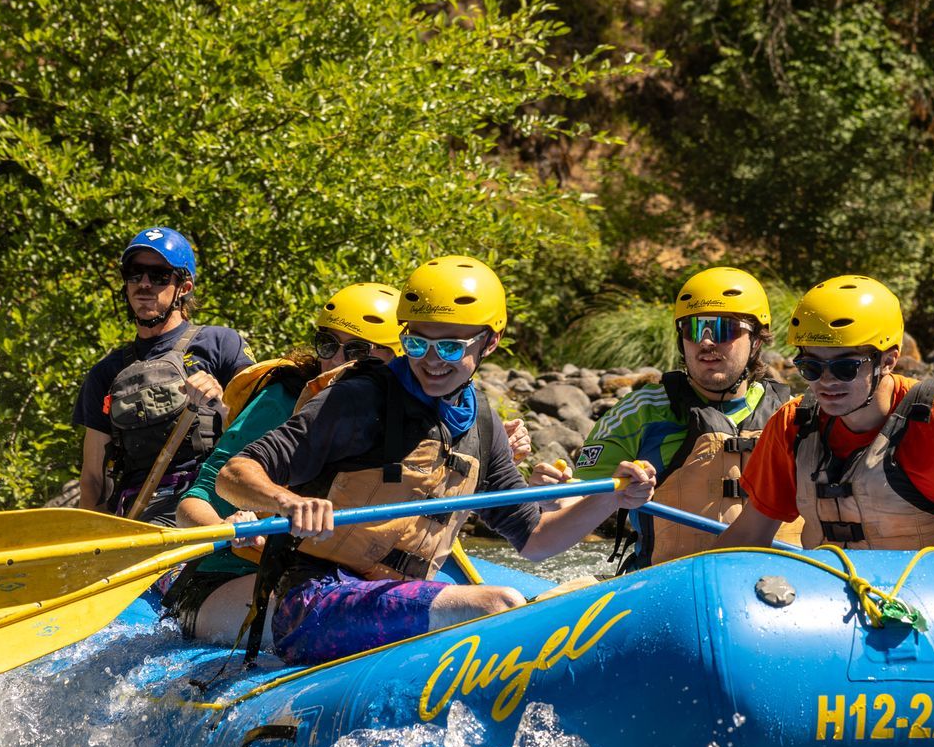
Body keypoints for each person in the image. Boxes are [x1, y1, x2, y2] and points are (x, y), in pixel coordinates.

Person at [215, 256, 655, 665]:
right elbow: (234, 474)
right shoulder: (358, 398)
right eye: (415, 343)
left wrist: (612, 499)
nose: (430, 361)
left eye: (448, 348)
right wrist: (286, 501)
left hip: (398, 592)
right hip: (311, 600)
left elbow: (536, 540)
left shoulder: (481, 425)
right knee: (500, 603)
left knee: (570, 599)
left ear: (491, 342)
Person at [709, 274, 934, 555]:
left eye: (846, 367)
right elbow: (750, 534)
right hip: (826, 602)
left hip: (927, 601)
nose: (826, 382)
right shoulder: (792, 424)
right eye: (810, 367)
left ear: (889, 360)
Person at [164, 283, 405, 642]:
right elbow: (191, 503)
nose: (336, 361)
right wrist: (228, 530)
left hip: (333, 578)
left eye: (356, 351)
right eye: (328, 345)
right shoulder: (283, 402)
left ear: (398, 360)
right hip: (228, 579)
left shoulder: (412, 418)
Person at [552, 265, 804, 568]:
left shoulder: (794, 414)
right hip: (673, 586)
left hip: (782, 588)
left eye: (724, 329)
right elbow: (571, 505)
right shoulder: (640, 413)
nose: (707, 342)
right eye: (694, 330)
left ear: (758, 341)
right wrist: (553, 497)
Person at [72, 227, 250, 523]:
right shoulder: (107, 372)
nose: (144, 284)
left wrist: (220, 403)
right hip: (138, 513)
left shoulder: (221, 344)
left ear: (184, 287)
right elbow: (92, 479)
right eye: (134, 273)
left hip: (208, 499)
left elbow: (264, 427)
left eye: (158, 275)